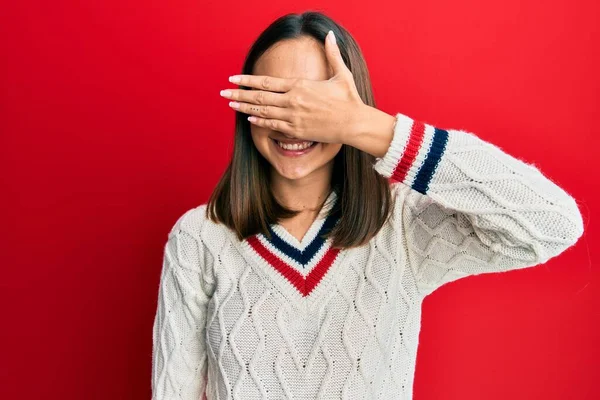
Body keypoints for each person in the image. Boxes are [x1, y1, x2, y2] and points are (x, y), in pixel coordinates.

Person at [150, 11, 584, 400]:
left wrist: (367, 127)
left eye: (315, 104)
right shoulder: (199, 237)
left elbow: (553, 223)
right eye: (278, 100)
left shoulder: (403, 226)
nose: (294, 121)